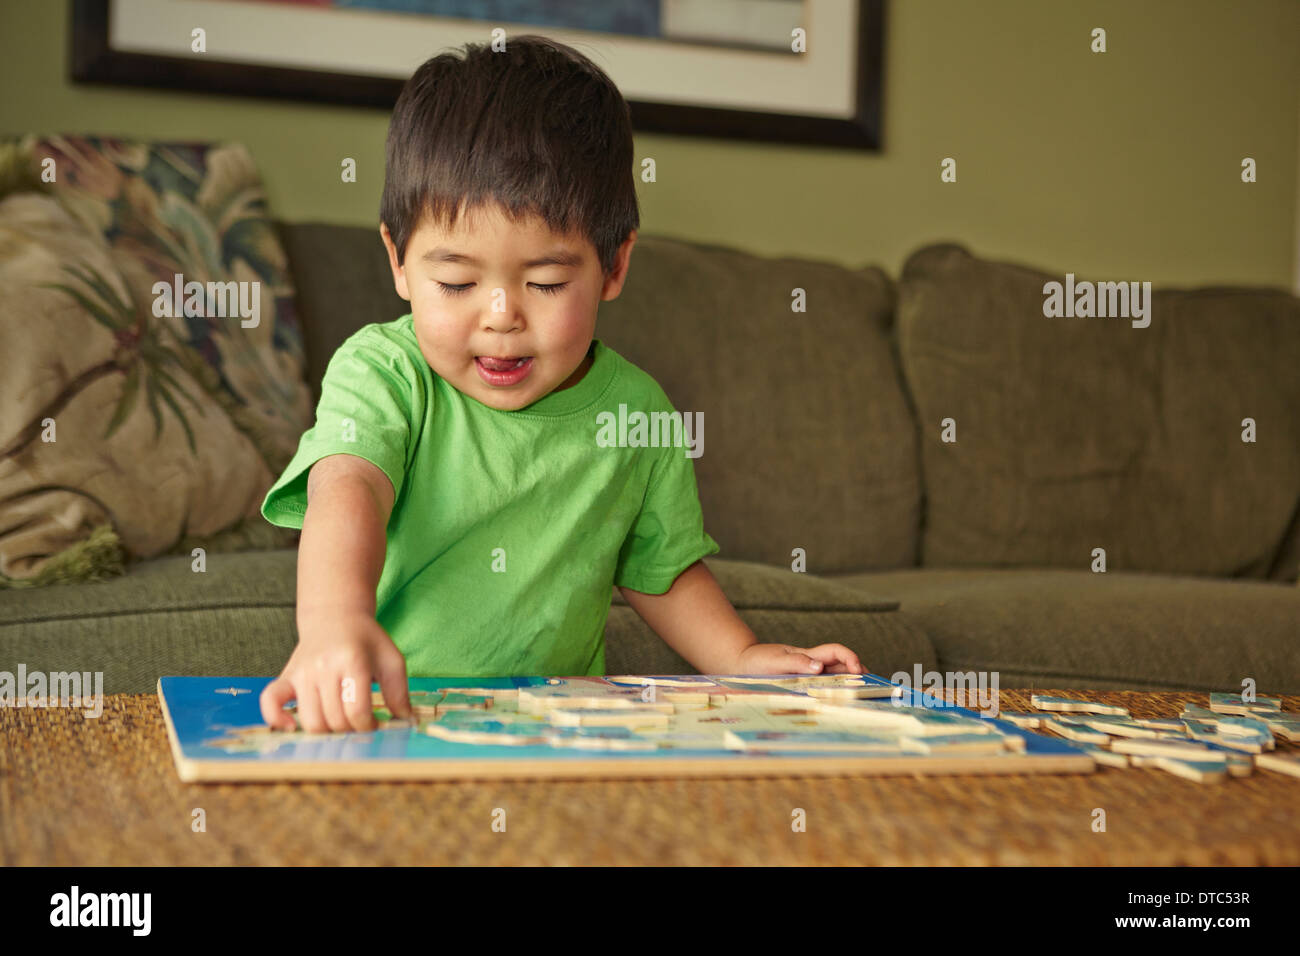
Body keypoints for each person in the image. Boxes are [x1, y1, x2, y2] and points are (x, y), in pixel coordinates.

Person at [258, 35, 862, 733]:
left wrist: (741, 654)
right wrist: (335, 624)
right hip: (391, 716)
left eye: (545, 282)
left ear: (614, 266)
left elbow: (658, 568)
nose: (501, 316)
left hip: (558, 727)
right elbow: (347, 489)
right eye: (456, 282)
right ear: (397, 260)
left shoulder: (638, 412)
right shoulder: (384, 373)